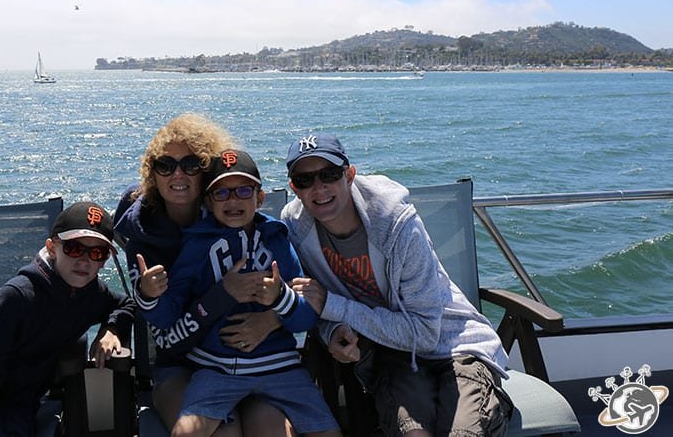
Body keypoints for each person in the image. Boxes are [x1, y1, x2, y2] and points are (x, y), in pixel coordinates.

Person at [283, 133, 513, 437]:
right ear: (293, 188)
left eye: (329, 174)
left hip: (456, 346)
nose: (319, 188)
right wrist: (334, 332)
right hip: (394, 356)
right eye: (305, 179)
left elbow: (426, 334)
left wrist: (335, 308)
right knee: (412, 432)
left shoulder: (396, 223)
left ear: (349, 176)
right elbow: (316, 303)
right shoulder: (296, 227)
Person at [139, 149, 341, 437]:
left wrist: (279, 298)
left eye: (244, 191)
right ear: (208, 201)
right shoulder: (196, 246)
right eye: (222, 193)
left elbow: (305, 318)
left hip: (280, 370)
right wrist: (149, 294)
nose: (233, 201)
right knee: (186, 432)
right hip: (216, 371)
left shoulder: (278, 241)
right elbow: (168, 314)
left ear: (260, 198)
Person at [113, 113, 290, 436]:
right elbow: (165, 335)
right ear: (153, 174)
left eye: (191, 164)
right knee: (223, 433)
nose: (178, 174)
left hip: (246, 361)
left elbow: (290, 283)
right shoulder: (143, 239)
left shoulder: (232, 211)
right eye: (165, 165)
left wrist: (274, 319)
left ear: (207, 171)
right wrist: (222, 295)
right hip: (179, 363)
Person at [0, 201, 135, 436]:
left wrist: (111, 328)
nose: (85, 260)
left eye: (97, 253)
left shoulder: (92, 293)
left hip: (17, 405)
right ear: (52, 247)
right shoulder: (17, 297)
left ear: (104, 261)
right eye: (74, 248)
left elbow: (125, 304)